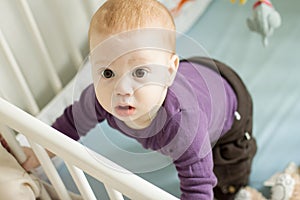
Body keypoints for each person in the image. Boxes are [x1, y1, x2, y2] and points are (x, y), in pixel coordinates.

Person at [22, 0, 257, 199]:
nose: (121, 89)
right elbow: (69, 124)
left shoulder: (185, 126)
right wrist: (38, 153)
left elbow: (198, 185)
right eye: (107, 73)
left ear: (168, 71)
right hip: (193, 74)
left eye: (140, 73)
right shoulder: (99, 98)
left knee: (227, 177)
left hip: (229, 105)